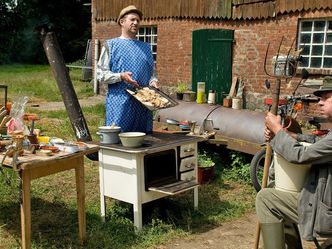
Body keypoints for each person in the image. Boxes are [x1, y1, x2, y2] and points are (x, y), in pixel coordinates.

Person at [256, 76, 332, 249]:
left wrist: (277, 130)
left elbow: (299, 155)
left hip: (326, 214)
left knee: (266, 198)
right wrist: (291, 136)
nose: (319, 103)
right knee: (279, 196)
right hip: (324, 202)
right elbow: (318, 142)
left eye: (326, 97)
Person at [97, 5, 158, 134]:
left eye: (138, 20)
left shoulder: (146, 47)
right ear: (122, 22)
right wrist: (121, 76)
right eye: (132, 19)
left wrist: (153, 82)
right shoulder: (111, 45)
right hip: (120, 103)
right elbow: (100, 74)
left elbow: (152, 72)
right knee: (118, 140)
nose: (136, 22)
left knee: (143, 140)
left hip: (143, 104)